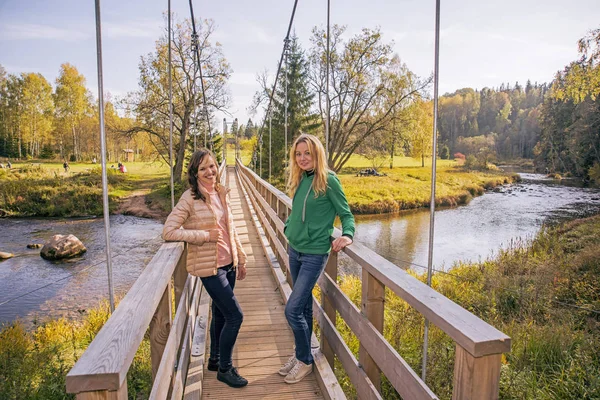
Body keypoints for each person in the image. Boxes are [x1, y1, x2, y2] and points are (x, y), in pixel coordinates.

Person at [162, 148, 248, 388]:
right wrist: (204, 235)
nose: (210, 171)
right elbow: (168, 231)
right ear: (195, 173)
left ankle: (215, 359)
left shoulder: (222, 192)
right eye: (203, 168)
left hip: (228, 263)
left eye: (212, 166)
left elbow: (230, 228)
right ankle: (225, 369)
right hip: (209, 267)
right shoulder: (189, 198)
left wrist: (240, 258)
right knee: (235, 316)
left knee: (221, 313)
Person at [280, 133, 355, 384]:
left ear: (317, 154)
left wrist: (347, 235)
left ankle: (305, 361)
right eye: (298, 154)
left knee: (291, 309)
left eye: (307, 153)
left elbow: (346, 214)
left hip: (314, 253)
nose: (302, 158)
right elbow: (297, 210)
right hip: (295, 249)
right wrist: (289, 226)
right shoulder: (301, 178)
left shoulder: (329, 181)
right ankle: (301, 355)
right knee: (302, 307)